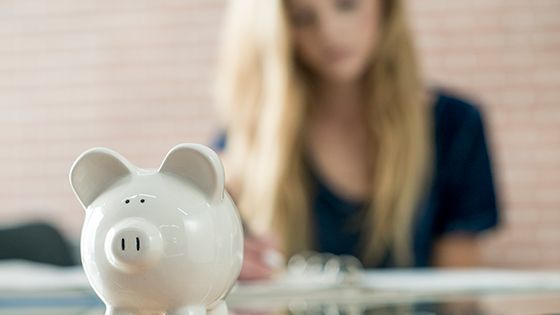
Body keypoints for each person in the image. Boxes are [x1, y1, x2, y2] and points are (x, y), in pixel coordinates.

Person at [213, 0, 499, 280]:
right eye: (302, 17)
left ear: (385, 7)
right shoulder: (245, 142)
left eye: (347, 5)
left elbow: (458, 297)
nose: (329, 31)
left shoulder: (455, 126)